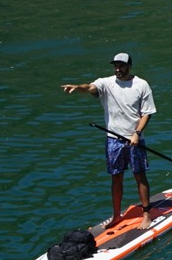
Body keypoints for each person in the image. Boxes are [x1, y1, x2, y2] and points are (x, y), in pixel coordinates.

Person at [62, 52, 156, 220]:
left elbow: (147, 113)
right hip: (113, 140)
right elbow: (90, 87)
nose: (118, 69)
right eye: (116, 66)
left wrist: (137, 133)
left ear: (129, 66)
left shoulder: (141, 85)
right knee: (116, 177)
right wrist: (78, 87)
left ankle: (146, 214)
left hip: (134, 139)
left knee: (139, 176)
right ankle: (116, 216)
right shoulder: (105, 83)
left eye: (121, 66)